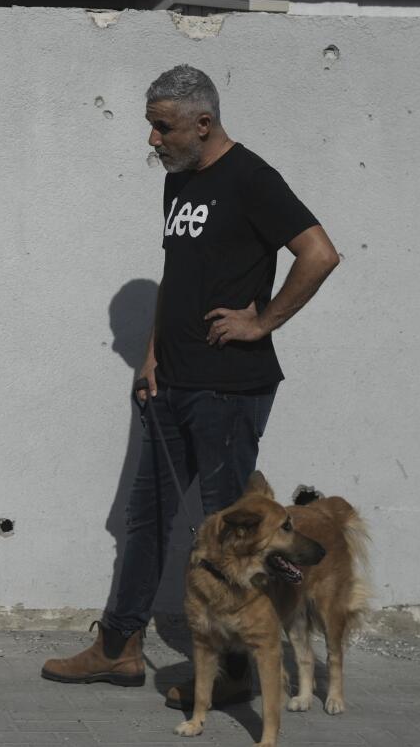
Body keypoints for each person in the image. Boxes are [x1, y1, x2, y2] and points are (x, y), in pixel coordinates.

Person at [41, 64, 341, 701]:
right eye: (152, 127)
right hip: (170, 385)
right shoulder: (180, 182)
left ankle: (235, 672)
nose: (153, 140)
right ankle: (118, 649)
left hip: (228, 391)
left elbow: (319, 253)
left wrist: (262, 321)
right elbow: (178, 277)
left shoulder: (252, 179)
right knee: (143, 520)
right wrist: (150, 356)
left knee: (233, 537)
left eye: (163, 127)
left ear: (203, 123)